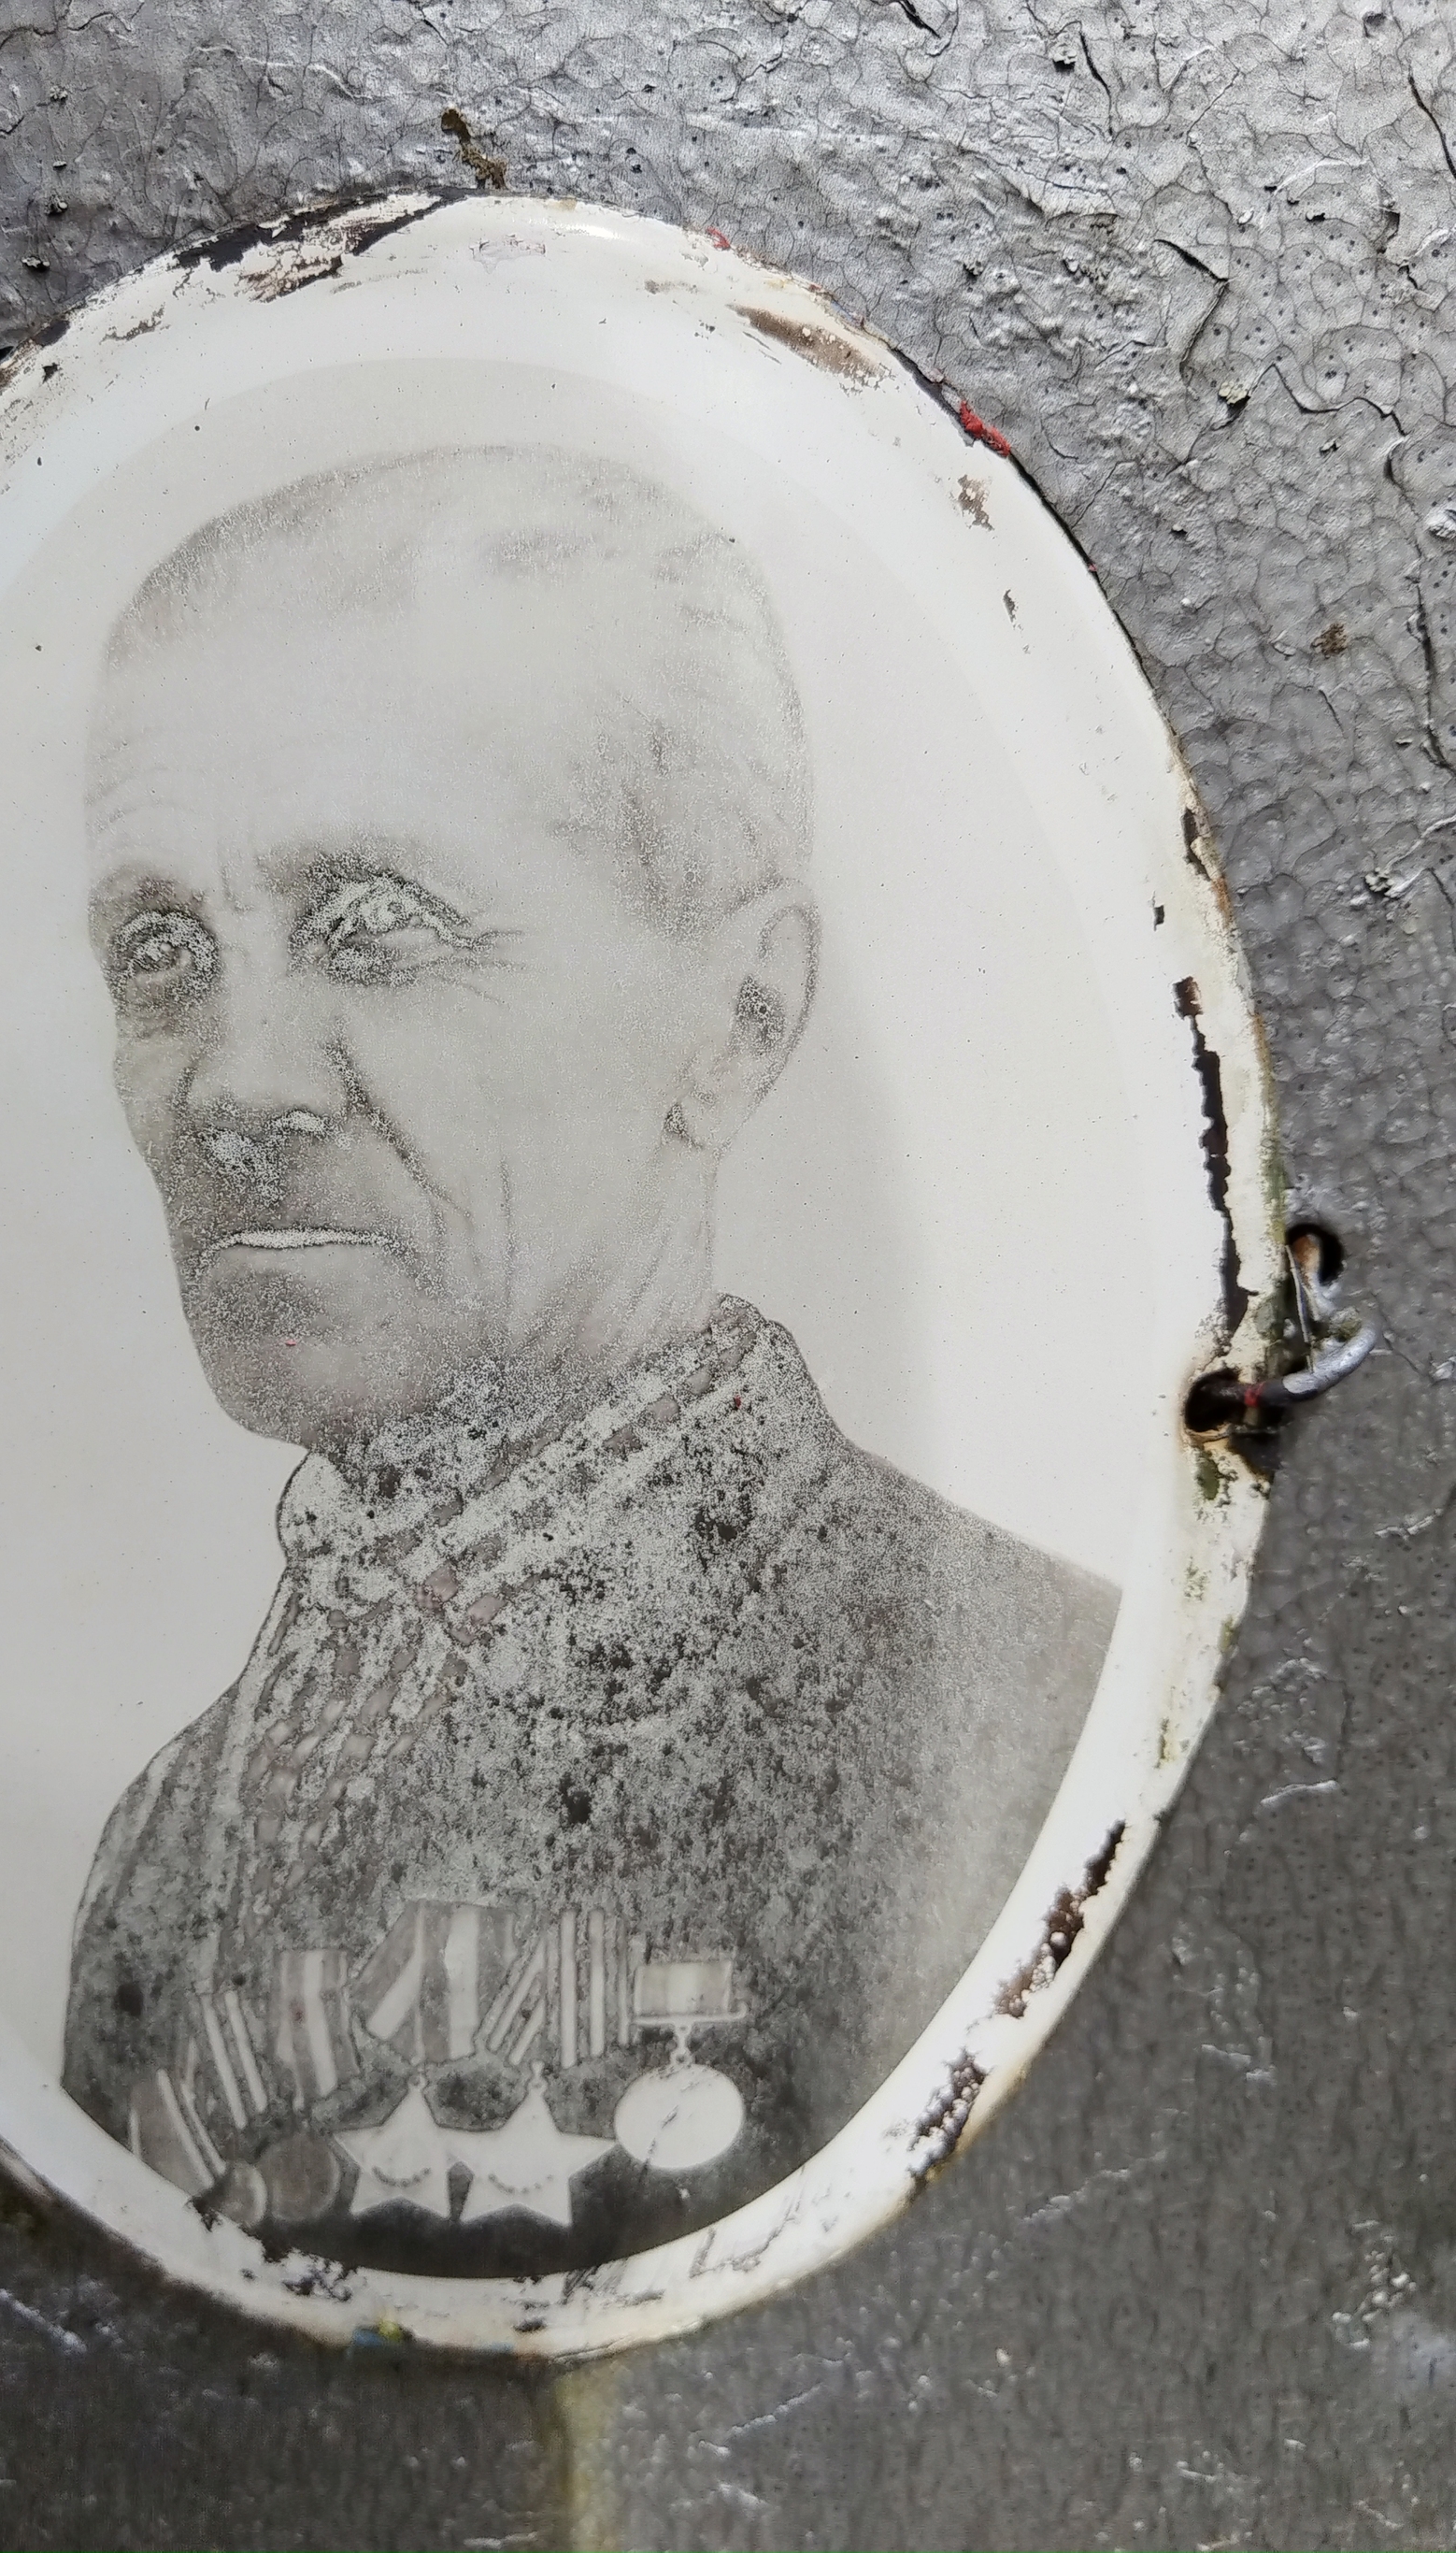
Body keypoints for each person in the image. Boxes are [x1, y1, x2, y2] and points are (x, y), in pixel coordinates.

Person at [63, 445, 1116, 2276]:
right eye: (162, 949)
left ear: (741, 1017)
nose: (235, 1082)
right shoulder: (158, 1851)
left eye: (373, 926)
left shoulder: (1041, 1732)